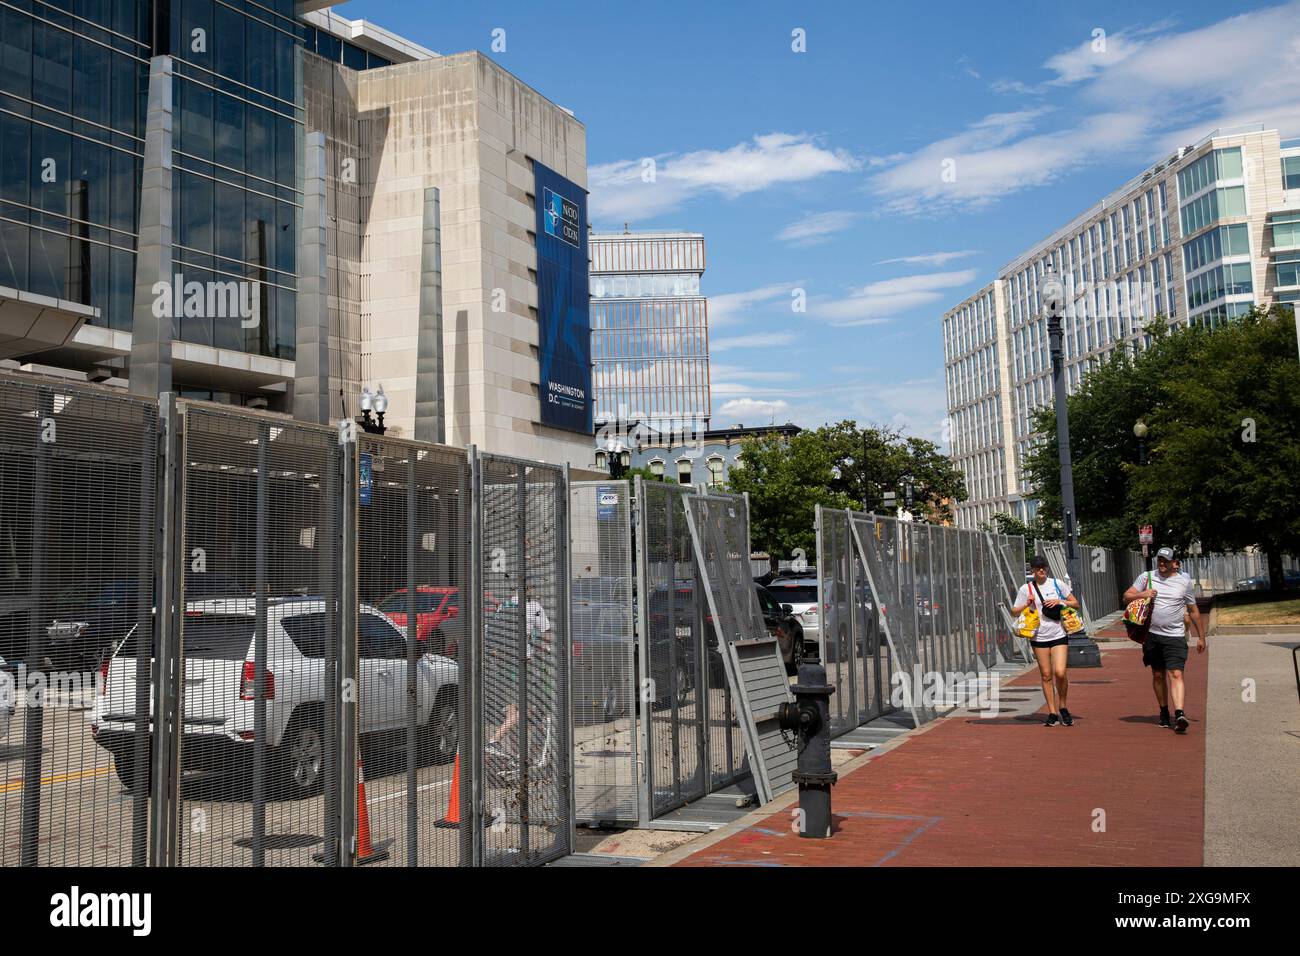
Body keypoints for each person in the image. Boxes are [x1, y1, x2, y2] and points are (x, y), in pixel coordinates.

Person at [1124, 547, 1204, 733]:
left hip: (1175, 636)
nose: (1161, 564)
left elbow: (1193, 610)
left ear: (1174, 563)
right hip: (1152, 636)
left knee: (1176, 674)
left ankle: (1180, 714)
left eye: (1165, 561)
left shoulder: (1184, 582)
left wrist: (1201, 636)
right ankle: (1163, 711)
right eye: (1159, 560)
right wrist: (1142, 594)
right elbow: (1126, 596)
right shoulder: (1146, 577)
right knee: (1158, 675)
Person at [1011, 555, 1082, 726]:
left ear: (1047, 568)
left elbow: (1076, 604)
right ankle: (1052, 711)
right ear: (1032, 570)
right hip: (1038, 636)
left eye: (1043, 567)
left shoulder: (1057, 584)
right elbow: (1014, 611)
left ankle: (1063, 706)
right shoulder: (1025, 589)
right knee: (1046, 675)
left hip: (1058, 634)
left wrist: (1060, 601)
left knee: (1060, 672)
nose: (1041, 570)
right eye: (1037, 568)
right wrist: (1026, 604)